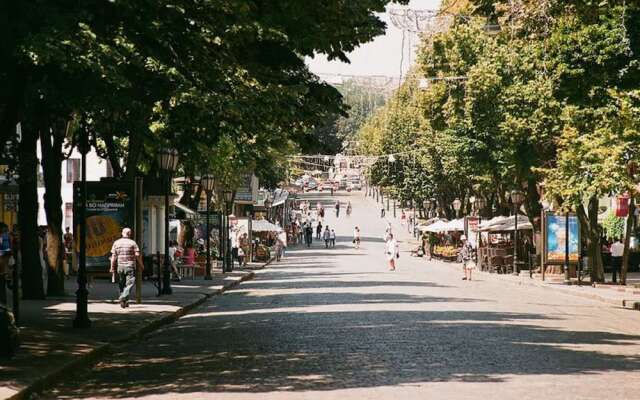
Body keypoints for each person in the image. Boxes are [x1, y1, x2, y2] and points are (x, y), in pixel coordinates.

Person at [110, 228, 144, 308]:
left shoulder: (116, 243)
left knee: (121, 283)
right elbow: (137, 255)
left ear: (122, 233)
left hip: (120, 266)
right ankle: (123, 297)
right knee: (129, 284)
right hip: (130, 266)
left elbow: (113, 256)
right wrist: (141, 265)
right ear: (130, 234)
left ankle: (124, 301)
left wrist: (111, 267)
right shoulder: (132, 243)